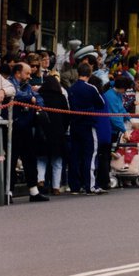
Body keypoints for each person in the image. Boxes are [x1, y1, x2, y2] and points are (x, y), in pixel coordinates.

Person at [9, 62, 48, 202]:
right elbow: (14, 94)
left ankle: (33, 191)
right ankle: (9, 192)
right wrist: (29, 99)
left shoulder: (27, 86)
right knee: (11, 161)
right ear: (18, 73)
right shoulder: (9, 83)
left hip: (27, 127)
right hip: (13, 127)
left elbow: (39, 99)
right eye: (27, 73)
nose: (30, 76)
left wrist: (34, 100)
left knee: (30, 159)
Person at [67, 62, 107, 195]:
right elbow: (100, 103)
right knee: (90, 155)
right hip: (88, 125)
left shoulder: (71, 89)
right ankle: (90, 185)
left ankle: (74, 186)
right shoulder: (91, 88)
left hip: (74, 125)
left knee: (75, 155)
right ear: (89, 74)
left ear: (78, 73)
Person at [37, 74, 70, 195]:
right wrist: (63, 128)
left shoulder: (40, 96)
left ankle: (40, 179)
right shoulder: (61, 97)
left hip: (43, 131)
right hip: (58, 132)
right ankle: (56, 186)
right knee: (57, 161)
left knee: (42, 158)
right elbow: (67, 116)